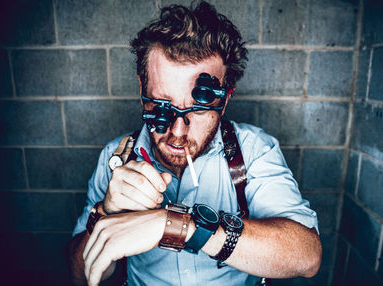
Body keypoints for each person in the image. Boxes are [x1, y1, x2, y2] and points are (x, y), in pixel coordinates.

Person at [67, 2, 322, 286]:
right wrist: (106, 213)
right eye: (163, 105)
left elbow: (307, 255)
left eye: (198, 110)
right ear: (142, 90)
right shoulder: (115, 159)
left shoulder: (254, 150)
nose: (178, 131)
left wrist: (181, 226)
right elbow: (80, 276)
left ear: (224, 100)